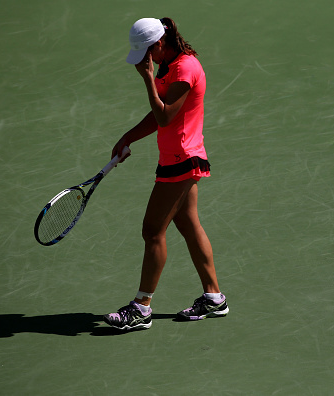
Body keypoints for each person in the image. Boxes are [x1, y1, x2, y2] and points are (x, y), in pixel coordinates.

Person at [103, 17, 228, 331]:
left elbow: (165, 116)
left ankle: (141, 308)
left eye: (148, 55)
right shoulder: (170, 65)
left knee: (152, 231)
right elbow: (159, 112)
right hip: (178, 158)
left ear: (159, 44)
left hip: (182, 160)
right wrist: (127, 137)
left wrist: (146, 79)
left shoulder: (185, 69)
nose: (147, 62)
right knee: (187, 223)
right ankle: (214, 298)